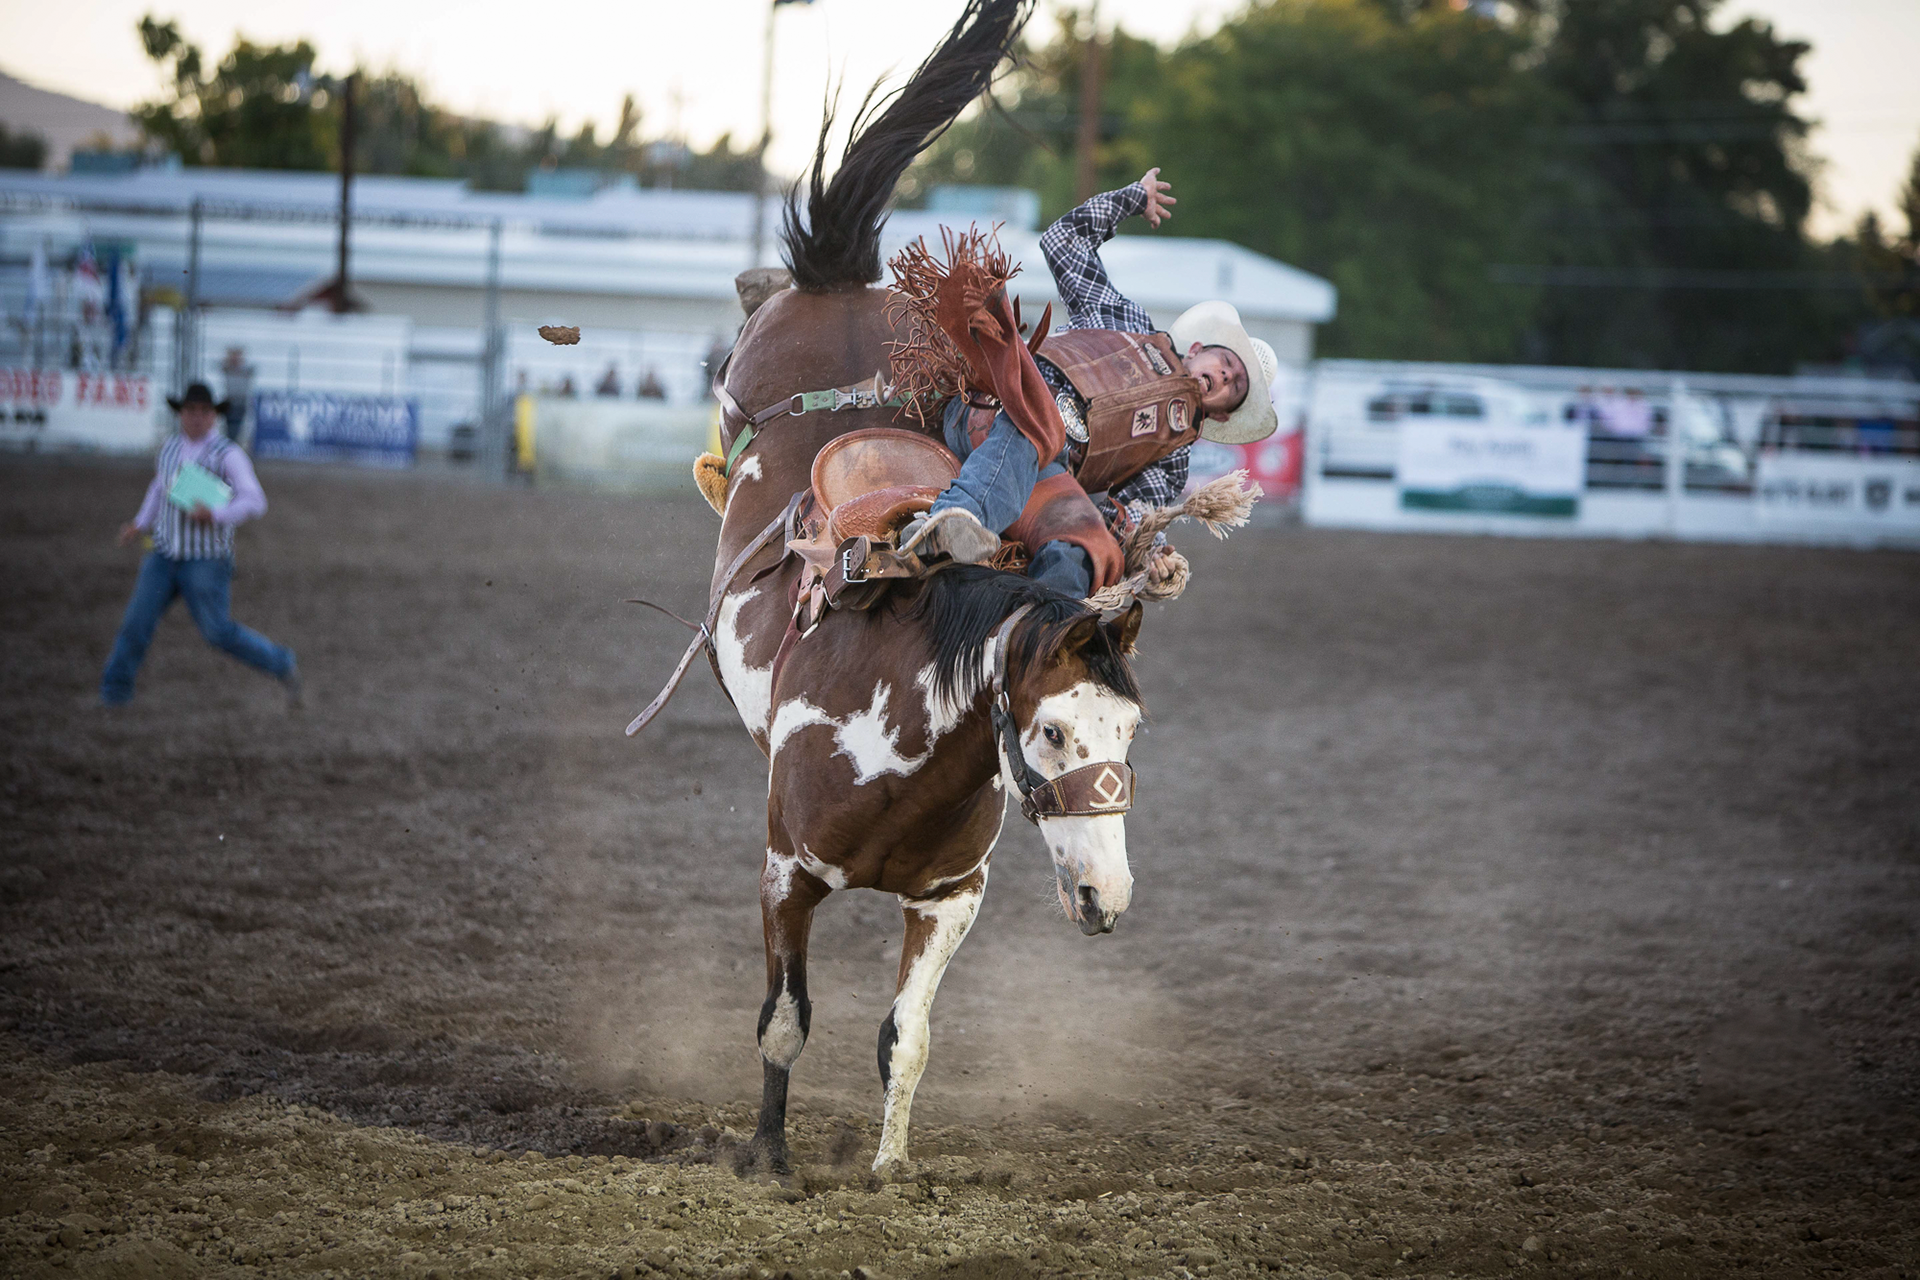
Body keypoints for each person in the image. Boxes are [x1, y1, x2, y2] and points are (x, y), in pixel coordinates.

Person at [907, 167, 1278, 597]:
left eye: (1235, 384)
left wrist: (1150, 546)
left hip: (1051, 475)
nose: (1228, 375)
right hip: (996, 407)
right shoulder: (1125, 320)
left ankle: (1038, 632)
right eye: (1228, 362)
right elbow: (1063, 242)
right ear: (1198, 348)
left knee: (1091, 547)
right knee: (1039, 425)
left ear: (1223, 412)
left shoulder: (1172, 458)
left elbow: (1134, 512)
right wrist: (1130, 199)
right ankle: (950, 524)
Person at [100, 383, 300, 707]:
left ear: (213, 417)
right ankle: (114, 694)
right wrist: (139, 524)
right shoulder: (168, 449)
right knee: (135, 624)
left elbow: (255, 501)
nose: (197, 417)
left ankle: (281, 662)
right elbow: (158, 489)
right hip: (163, 554)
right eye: (191, 411)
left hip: (206, 560)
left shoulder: (228, 454)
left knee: (218, 632)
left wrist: (217, 514)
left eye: (204, 412)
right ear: (181, 414)